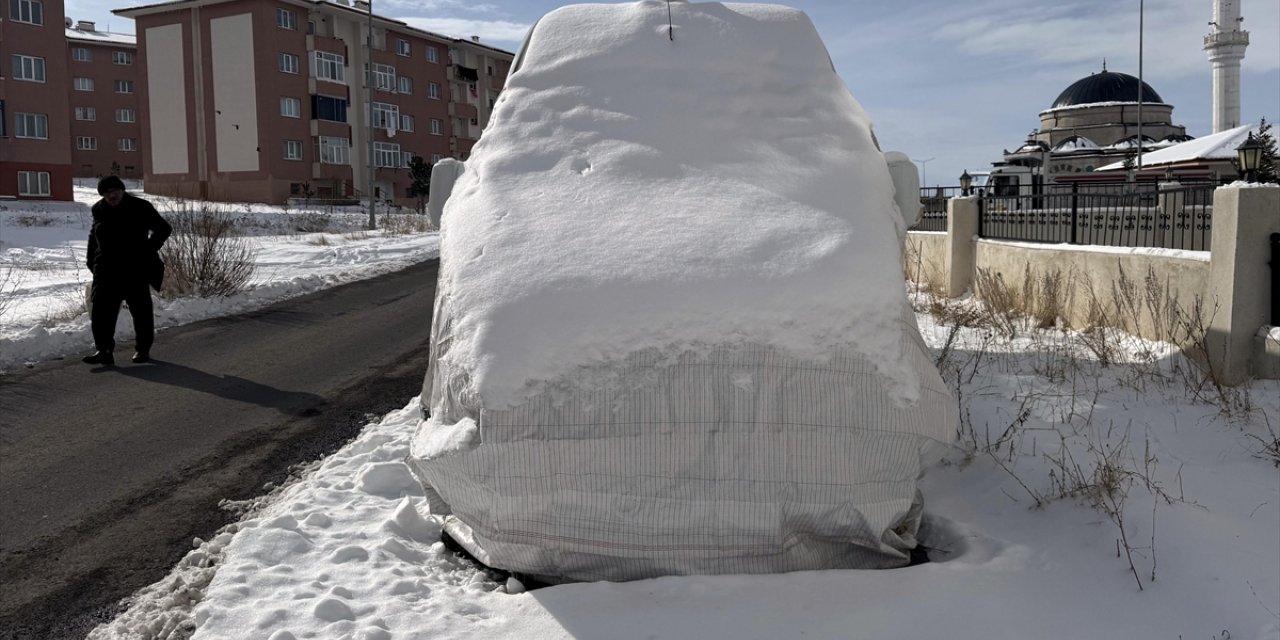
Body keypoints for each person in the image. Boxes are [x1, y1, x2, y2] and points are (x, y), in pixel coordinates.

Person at [83, 176, 172, 366]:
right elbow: (94, 235)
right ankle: (104, 350)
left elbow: (164, 228)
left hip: (134, 269)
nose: (112, 195)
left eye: (115, 190)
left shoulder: (141, 207)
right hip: (106, 269)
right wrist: (91, 261)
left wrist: (148, 249)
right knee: (101, 312)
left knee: (141, 312)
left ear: (123, 190)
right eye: (107, 192)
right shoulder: (98, 209)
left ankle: (143, 350)